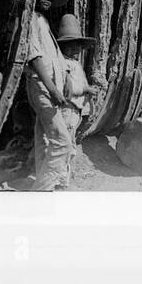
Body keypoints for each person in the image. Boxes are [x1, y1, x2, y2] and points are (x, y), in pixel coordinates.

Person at [21, 0, 73, 191]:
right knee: (62, 141)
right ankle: (42, 188)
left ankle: (53, 183)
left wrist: (67, 78)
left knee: (44, 138)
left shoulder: (43, 21)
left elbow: (56, 58)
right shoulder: (31, 20)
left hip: (50, 89)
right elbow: (34, 58)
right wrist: (53, 89)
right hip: (42, 88)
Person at [51, 13, 101, 189]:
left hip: (75, 111)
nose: (73, 49)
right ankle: (60, 180)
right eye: (68, 46)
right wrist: (86, 89)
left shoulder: (74, 63)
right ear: (62, 46)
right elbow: (69, 89)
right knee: (65, 144)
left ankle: (63, 176)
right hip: (67, 109)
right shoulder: (63, 64)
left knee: (69, 142)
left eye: (76, 46)